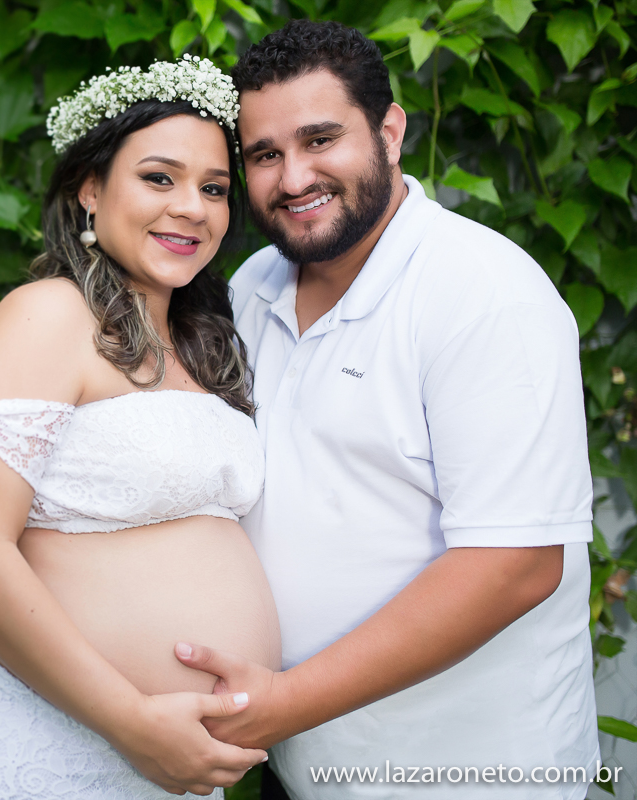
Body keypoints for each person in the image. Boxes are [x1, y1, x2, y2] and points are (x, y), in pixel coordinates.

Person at [170, 20, 599, 800]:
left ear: (391, 130)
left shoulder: (484, 295)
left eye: (320, 139)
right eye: (265, 154)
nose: (292, 177)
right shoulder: (250, 288)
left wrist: (281, 706)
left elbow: (516, 566)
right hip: (301, 768)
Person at [0, 57, 279, 799]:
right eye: (159, 178)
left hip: (174, 763)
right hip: (51, 742)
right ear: (89, 190)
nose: (192, 207)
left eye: (214, 188)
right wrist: (131, 722)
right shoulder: (51, 314)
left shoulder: (206, 344)